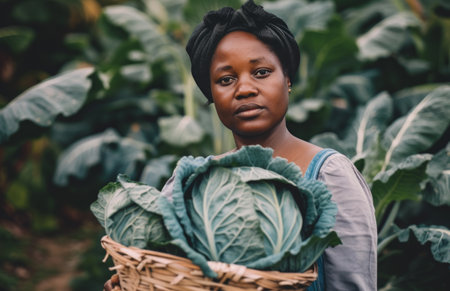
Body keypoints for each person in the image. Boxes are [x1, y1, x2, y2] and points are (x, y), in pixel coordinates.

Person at [105, 1, 377, 290]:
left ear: (287, 79)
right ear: (210, 94)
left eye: (261, 72)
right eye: (226, 79)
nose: (245, 89)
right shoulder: (189, 185)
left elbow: (353, 284)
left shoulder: (331, 176)